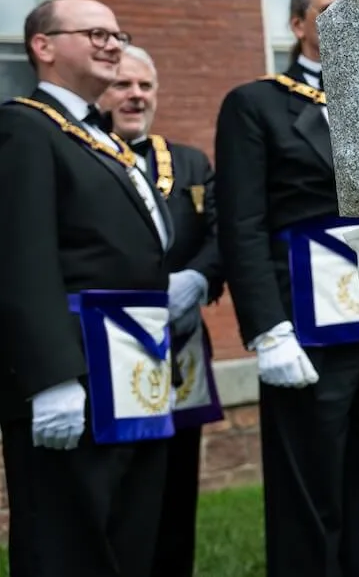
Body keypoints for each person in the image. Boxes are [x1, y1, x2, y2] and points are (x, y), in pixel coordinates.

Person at [215, 0, 359, 576]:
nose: (345, 21)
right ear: (299, 24)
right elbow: (241, 222)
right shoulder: (255, 104)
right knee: (309, 479)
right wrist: (265, 328)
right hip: (303, 316)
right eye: (330, 10)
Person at [0, 0, 173, 576]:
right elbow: (21, 257)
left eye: (116, 33)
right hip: (77, 367)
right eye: (93, 33)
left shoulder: (96, 135)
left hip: (132, 362)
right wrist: (51, 378)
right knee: (67, 539)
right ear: (43, 47)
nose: (111, 43)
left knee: (127, 530)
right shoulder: (24, 127)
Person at [97, 45, 225, 577]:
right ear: (99, 92)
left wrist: (198, 278)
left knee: (175, 490)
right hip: (107, 350)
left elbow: (223, 233)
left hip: (182, 350)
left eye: (145, 87)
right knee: (116, 490)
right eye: (124, 85)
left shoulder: (191, 162)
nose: (136, 96)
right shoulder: (81, 155)